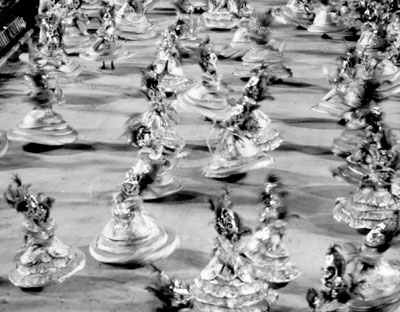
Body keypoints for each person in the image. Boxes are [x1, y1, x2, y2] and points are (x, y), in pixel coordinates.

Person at [4, 176, 85, 288]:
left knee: (57, 253)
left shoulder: (45, 221)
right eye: (37, 215)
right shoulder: (30, 226)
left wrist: (48, 236)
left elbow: (49, 230)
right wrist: (41, 241)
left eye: (41, 214)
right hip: (38, 248)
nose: (40, 216)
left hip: (49, 245)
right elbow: (32, 239)